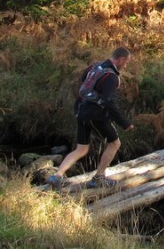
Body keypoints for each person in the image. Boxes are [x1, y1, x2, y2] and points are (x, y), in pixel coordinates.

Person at [47, 47, 134, 189]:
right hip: (95, 115)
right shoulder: (112, 77)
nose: (126, 66)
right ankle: (99, 178)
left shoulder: (94, 67)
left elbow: (83, 80)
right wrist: (124, 123)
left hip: (81, 110)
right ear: (121, 59)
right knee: (115, 143)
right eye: (126, 62)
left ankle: (56, 176)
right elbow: (108, 102)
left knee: (81, 149)